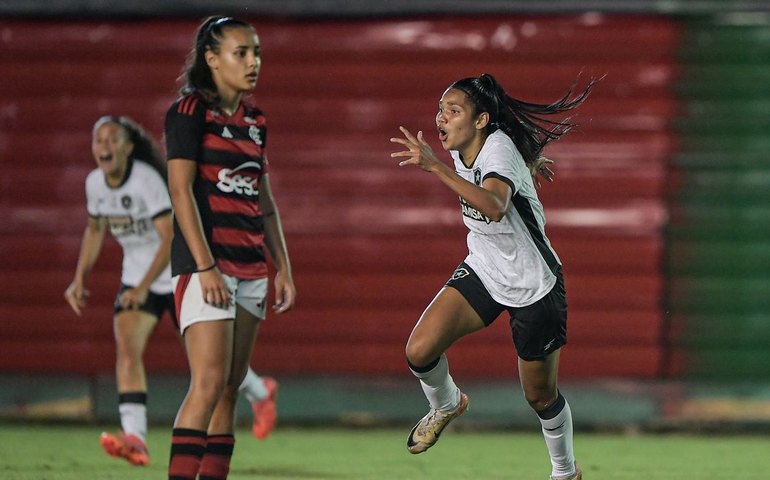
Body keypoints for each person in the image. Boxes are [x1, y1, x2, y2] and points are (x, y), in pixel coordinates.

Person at [390, 73, 596, 480]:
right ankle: (447, 403)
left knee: (539, 396)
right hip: (485, 268)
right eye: (440, 110)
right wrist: (530, 162)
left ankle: (564, 471)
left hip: (534, 284)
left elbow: (496, 205)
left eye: (453, 110)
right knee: (419, 350)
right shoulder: (465, 145)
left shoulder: (495, 149)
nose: (441, 118)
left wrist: (432, 166)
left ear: (481, 119)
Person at [64, 115, 280, 469]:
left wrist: (143, 286)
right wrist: (80, 278)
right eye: (97, 139)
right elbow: (94, 229)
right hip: (138, 281)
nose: (103, 146)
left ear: (128, 147)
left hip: (179, 276)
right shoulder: (94, 184)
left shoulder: (146, 181)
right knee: (128, 351)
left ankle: (260, 391)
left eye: (111, 139)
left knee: (210, 369)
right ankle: (135, 437)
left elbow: (168, 238)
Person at [165, 16, 296, 480]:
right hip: (208, 269)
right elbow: (180, 192)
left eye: (256, 51)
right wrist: (204, 268)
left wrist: (282, 267)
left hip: (252, 269)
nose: (253, 61)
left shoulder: (256, 121)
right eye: (241, 52)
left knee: (230, 387)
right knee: (207, 384)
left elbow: (264, 202)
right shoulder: (189, 112)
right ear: (212, 58)